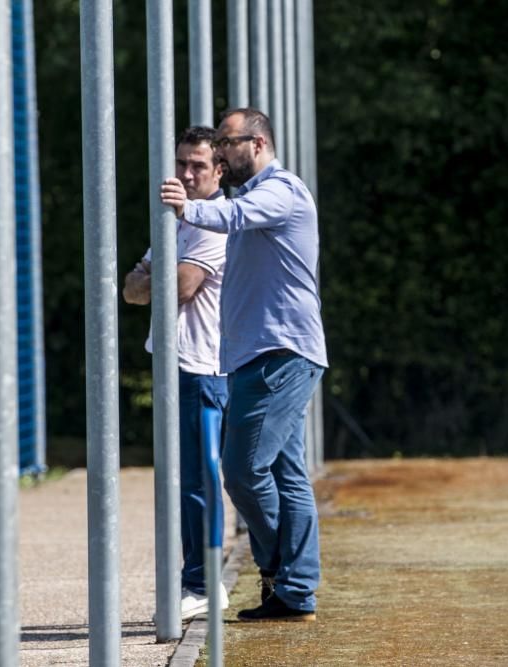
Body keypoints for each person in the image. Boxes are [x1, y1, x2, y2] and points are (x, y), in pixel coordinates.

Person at [159, 108, 327, 622]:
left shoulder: (282, 191)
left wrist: (187, 207)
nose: (221, 154)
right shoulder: (251, 198)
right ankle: (294, 591)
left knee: (241, 468)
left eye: (228, 144)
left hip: (281, 354)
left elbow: (229, 216)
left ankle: (285, 572)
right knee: (285, 474)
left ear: (256, 144)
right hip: (257, 356)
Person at [123, 125, 230, 621]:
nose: (187, 174)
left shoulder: (210, 224)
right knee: (181, 478)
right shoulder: (177, 222)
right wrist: (151, 279)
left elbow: (179, 288)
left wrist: (153, 278)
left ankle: (205, 583)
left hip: (202, 368)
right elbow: (131, 288)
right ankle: (198, 581)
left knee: (198, 480)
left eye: (198, 166)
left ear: (219, 171)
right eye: (182, 164)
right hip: (175, 367)